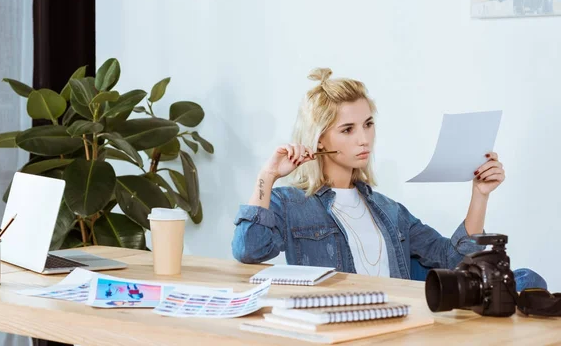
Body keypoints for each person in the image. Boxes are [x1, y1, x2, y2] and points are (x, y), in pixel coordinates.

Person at [231, 68, 546, 292]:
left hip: (401, 318)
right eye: (348, 129)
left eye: (367, 124)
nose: (364, 138)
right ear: (319, 139)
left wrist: (480, 194)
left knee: (526, 280)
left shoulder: (391, 212)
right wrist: (267, 176)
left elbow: (455, 259)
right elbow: (249, 250)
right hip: (340, 321)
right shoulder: (289, 203)